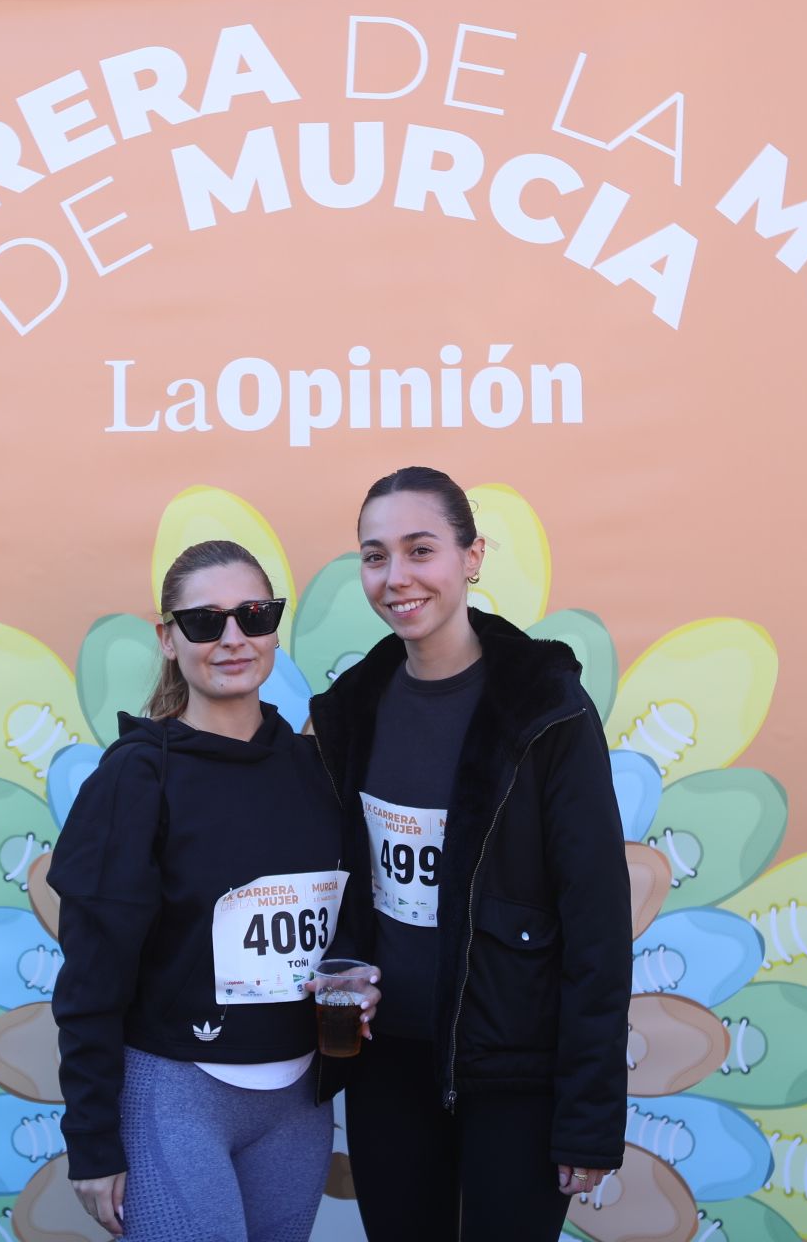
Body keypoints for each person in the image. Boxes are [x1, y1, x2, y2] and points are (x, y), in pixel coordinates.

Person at [311, 466, 631, 1242]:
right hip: (388, 1069)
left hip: (513, 1070)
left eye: (421, 550)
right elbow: (345, 886)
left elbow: (597, 921)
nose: (397, 578)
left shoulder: (546, 710)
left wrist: (588, 1115)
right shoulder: (351, 709)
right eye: (375, 556)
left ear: (472, 556)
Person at [48, 539, 378, 1241]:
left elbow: (348, 919)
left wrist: (352, 971)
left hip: (297, 1102)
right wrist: (93, 1141)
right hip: (175, 1093)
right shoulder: (137, 779)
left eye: (254, 616)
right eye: (204, 622)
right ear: (168, 639)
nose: (233, 638)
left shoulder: (318, 771)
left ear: (273, 628)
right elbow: (91, 976)